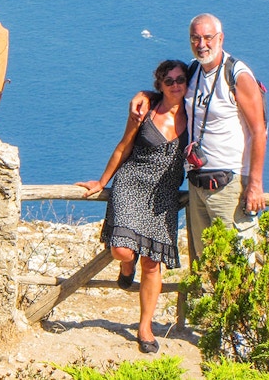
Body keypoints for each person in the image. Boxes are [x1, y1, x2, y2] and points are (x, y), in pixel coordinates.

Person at [130, 14, 266, 260]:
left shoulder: (237, 75)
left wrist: (254, 185)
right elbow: (171, 91)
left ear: (221, 38)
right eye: (195, 38)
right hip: (197, 183)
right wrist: (146, 95)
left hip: (230, 185)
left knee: (237, 263)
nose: (202, 44)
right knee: (205, 263)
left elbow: (259, 130)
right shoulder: (192, 72)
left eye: (207, 37)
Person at [76, 60, 188, 354]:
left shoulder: (195, 115)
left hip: (164, 196)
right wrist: (102, 182)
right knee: (122, 249)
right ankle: (127, 267)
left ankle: (145, 327)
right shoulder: (145, 112)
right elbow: (123, 146)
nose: (176, 85)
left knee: (153, 264)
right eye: (169, 81)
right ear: (159, 86)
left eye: (180, 80)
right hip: (131, 183)